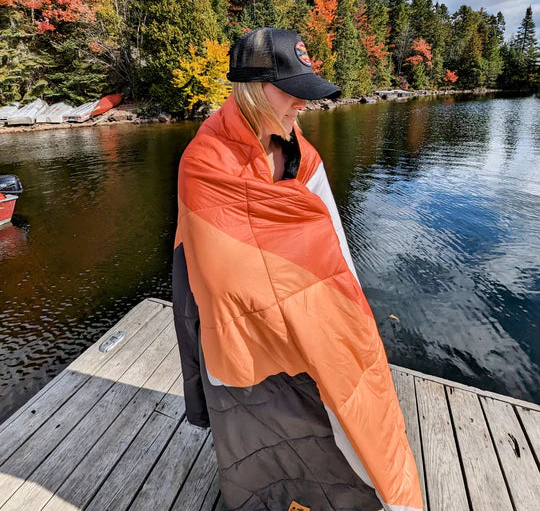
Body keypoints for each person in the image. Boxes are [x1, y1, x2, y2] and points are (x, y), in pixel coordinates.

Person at [172, 28, 423, 511]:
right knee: (258, 433)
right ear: (251, 88)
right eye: (292, 92)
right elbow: (201, 272)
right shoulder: (202, 163)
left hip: (309, 330)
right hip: (242, 338)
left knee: (336, 420)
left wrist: (348, 311)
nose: (303, 106)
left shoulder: (302, 156)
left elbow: (334, 249)